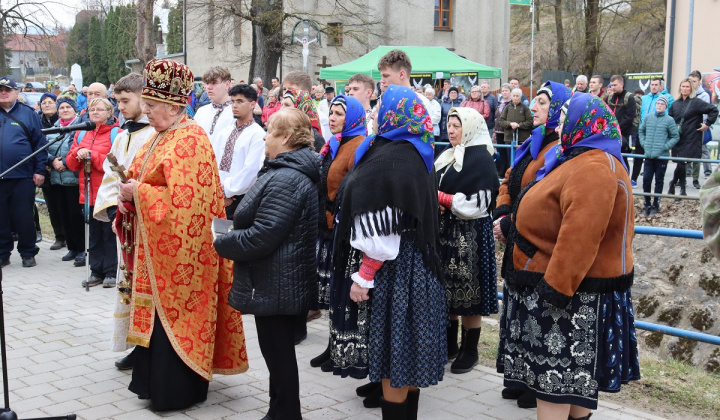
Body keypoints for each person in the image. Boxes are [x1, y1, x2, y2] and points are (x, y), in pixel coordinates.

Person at [117, 58, 249, 411]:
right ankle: (151, 384)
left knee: (177, 319)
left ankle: (177, 390)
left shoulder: (190, 140)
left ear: (174, 106)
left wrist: (138, 193)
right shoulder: (160, 136)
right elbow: (142, 175)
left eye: (152, 105)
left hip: (185, 256)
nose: (145, 111)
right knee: (158, 323)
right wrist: (128, 190)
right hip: (156, 251)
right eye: (144, 104)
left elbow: (183, 206)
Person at [501, 92, 639, 419]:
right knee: (571, 391)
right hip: (568, 294)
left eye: (564, 119)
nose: (559, 126)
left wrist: (555, 291)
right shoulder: (579, 159)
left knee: (557, 389)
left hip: (571, 300)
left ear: (584, 123)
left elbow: (581, 236)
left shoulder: (594, 167)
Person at [333, 85, 444, 419]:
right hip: (418, 271)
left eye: (379, 105)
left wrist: (363, 277)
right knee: (408, 359)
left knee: (394, 362)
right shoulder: (416, 150)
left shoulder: (391, 160)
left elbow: (384, 230)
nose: (373, 110)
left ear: (394, 113)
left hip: (395, 273)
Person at [214, 107, 318, 420]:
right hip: (277, 278)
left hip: (278, 281)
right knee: (277, 352)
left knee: (279, 353)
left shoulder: (287, 177)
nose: (263, 135)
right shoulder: (282, 170)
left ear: (286, 137)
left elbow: (262, 236)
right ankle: (280, 411)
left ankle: (285, 414)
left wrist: (221, 241)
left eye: (271, 130)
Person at [493, 80, 571, 410]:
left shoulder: (559, 148)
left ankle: (532, 384)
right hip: (516, 239)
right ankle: (517, 376)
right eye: (535, 101)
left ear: (558, 111)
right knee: (516, 313)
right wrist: (502, 211)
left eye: (541, 102)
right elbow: (511, 179)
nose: (534, 107)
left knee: (534, 318)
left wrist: (511, 222)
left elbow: (541, 198)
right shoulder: (532, 142)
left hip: (535, 246)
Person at [90, 73, 156, 370]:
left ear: (144, 97)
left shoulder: (154, 133)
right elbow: (110, 173)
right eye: (117, 102)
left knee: (146, 286)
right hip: (126, 224)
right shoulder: (123, 133)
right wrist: (113, 207)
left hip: (148, 223)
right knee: (127, 284)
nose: (120, 108)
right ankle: (135, 343)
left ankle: (151, 347)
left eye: (125, 101)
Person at [435, 107, 499, 375]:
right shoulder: (448, 157)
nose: (451, 130)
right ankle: (449, 345)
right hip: (447, 232)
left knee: (470, 293)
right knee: (447, 289)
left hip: (471, 235)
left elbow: (476, 205)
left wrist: (441, 199)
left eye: (457, 125)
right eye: (449, 125)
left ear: (470, 127)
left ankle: (469, 350)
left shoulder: (481, 159)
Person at [308, 95, 366, 372]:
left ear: (352, 118)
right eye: (331, 112)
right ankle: (333, 346)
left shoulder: (357, 146)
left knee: (342, 294)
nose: (331, 118)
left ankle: (345, 349)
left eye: (339, 114)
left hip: (342, 231)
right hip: (327, 226)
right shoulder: (334, 143)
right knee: (332, 295)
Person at [66, 98, 121, 288]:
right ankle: (96, 271)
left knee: (108, 233)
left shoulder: (117, 134)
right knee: (93, 233)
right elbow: (70, 164)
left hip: (107, 193)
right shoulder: (81, 133)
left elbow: (116, 163)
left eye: (100, 109)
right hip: (87, 192)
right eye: (91, 109)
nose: (95, 112)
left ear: (109, 112)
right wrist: (77, 153)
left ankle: (111, 272)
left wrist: (93, 155)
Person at [0, 76, 46, 268]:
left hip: (23, 176)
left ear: (16, 93)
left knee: (24, 216)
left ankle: (28, 252)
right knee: (1, 218)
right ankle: (3, 253)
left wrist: (40, 170)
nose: (3, 93)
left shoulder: (28, 114)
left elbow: (40, 144)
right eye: (0, 90)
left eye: (7, 90)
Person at [213, 84, 266, 219]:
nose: (234, 106)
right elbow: (214, 162)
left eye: (240, 101)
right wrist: (218, 193)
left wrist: (229, 192)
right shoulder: (224, 132)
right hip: (216, 196)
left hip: (239, 199)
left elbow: (251, 171)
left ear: (252, 104)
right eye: (233, 101)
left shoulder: (257, 134)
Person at [46, 97, 85, 265]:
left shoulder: (80, 128)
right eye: (61, 107)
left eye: (68, 107)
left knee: (76, 215)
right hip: (56, 179)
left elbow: (78, 150)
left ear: (74, 110)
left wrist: (65, 163)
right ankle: (72, 247)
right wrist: (53, 161)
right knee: (64, 216)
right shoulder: (52, 129)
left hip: (73, 179)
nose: (64, 110)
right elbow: (44, 149)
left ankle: (82, 248)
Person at [667, 78, 718, 197]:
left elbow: (713, 110)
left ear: (691, 89)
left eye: (687, 87)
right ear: (680, 88)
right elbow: (670, 118)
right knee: (681, 163)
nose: (684, 89)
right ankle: (676, 185)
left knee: (682, 162)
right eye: (683, 86)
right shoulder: (675, 103)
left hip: (691, 137)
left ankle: (678, 187)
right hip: (678, 138)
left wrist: (707, 124)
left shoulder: (696, 102)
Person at [638, 95, 679, 217]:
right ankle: (646, 204)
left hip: (661, 156)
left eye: (662, 104)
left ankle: (656, 204)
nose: (659, 106)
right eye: (658, 104)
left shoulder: (669, 120)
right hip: (649, 155)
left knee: (659, 181)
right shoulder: (648, 117)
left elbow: (675, 136)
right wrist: (644, 143)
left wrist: (665, 147)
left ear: (666, 106)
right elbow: (641, 131)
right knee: (646, 180)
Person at [38, 92, 65, 250]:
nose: (47, 105)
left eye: (50, 102)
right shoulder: (38, 121)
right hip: (47, 169)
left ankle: (70, 237)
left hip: (62, 168)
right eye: (44, 103)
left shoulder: (62, 121)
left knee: (65, 206)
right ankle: (58, 236)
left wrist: (56, 160)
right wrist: (48, 161)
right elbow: (38, 145)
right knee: (52, 205)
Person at [283, 70, 328, 149]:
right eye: (284, 89)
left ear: (304, 94)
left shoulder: (317, 125)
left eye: (291, 89)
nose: (286, 93)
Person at [195, 66, 234, 146]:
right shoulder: (201, 112)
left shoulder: (236, 113)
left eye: (214, 83)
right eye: (207, 83)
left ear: (227, 85)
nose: (208, 87)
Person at [604, 75, 636, 170]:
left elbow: (629, 117)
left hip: (623, 134)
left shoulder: (629, 98)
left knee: (622, 158)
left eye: (615, 85)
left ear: (622, 84)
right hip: (609, 133)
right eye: (611, 85)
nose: (613, 87)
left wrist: (616, 128)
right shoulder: (608, 98)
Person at [281, 87, 325, 152]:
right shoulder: (279, 132)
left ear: (301, 108)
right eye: (282, 105)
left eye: (287, 105)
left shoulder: (314, 138)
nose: (282, 109)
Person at [689, 70, 713, 186]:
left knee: (702, 149)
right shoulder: (687, 93)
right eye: (690, 81)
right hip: (688, 126)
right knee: (687, 148)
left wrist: (705, 124)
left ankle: (707, 171)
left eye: (694, 81)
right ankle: (688, 171)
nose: (691, 83)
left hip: (699, 125)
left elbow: (706, 111)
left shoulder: (704, 94)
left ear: (699, 82)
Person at [493, 83, 512, 175]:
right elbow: (496, 117)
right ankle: (502, 171)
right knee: (501, 152)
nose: (504, 92)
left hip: (507, 131)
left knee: (508, 153)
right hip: (498, 130)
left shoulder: (512, 103)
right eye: (503, 91)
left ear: (510, 92)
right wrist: (494, 131)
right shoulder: (500, 102)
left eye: (506, 91)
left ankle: (508, 171)